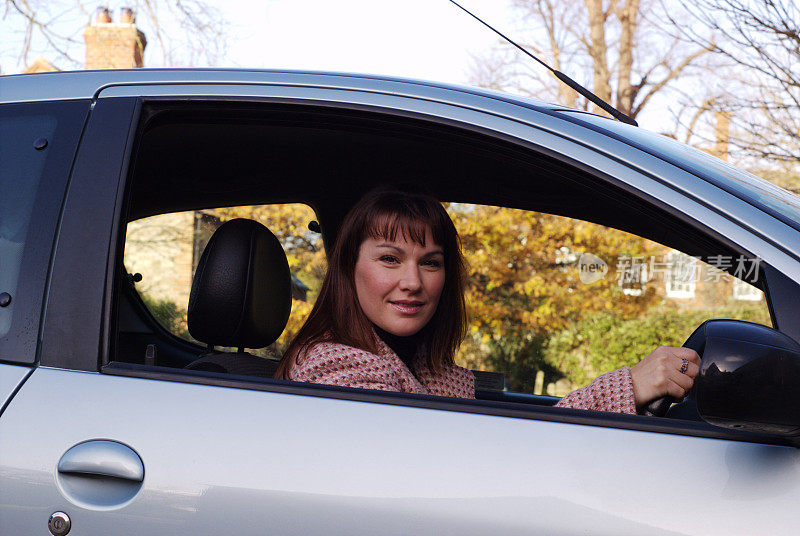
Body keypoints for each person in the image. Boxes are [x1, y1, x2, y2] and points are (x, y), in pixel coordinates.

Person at [275, 187, 700, 414]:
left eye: (431, 262)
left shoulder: (427, 366)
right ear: (349, 268)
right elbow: (459, 472)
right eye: (390, 258)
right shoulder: (334, 366)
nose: (412, 281)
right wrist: (627, 387)